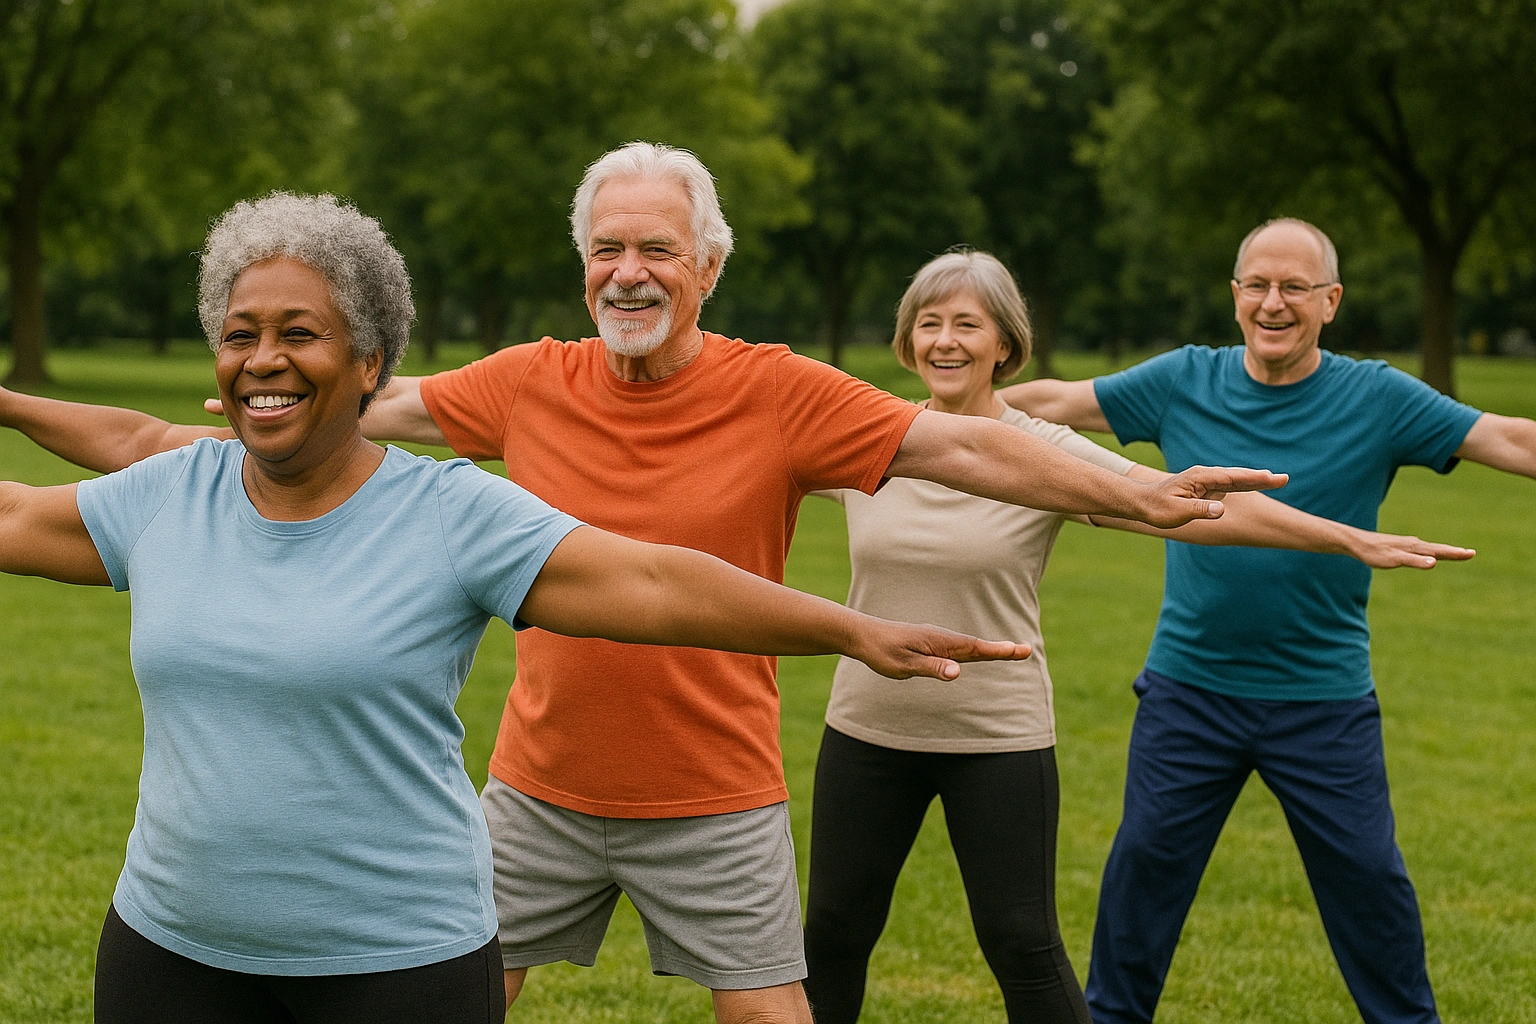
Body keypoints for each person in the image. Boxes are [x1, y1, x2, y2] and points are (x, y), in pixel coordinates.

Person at [0, 144, 1283, 1024]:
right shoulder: (517, 381)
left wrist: (1136, 493)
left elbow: (958, 444)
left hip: (712, 787)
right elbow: (210, 441)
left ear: (707, 266)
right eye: (607, 246)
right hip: (540, 782)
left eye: (656, 249)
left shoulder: (781, 387)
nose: (628, 270)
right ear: (582, 264)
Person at [799, 250, 1474, 1024]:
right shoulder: (871, 435)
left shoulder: (1041, 449)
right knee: (833, 935)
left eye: (966, 324)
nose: (946, 342)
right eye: (929, 324)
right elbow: (748, 462)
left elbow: (1174, 504)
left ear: (1004, 345)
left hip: (997, 735)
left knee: (1021, 943)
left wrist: (1345, 538)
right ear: (907, 341)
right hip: (865, 729)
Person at [997, 218, 1536, 1024]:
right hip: (1189, 692)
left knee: (1369, 880)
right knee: (1142, 871)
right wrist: (934, 414)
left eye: (1294, 287)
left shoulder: (1377, 396)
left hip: (1324, 700)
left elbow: (1509, 437)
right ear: (1236, 295)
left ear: (1332, 301)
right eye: (1256, 285)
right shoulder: (1184, 380)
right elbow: (1051, 404)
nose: (1273, 303)